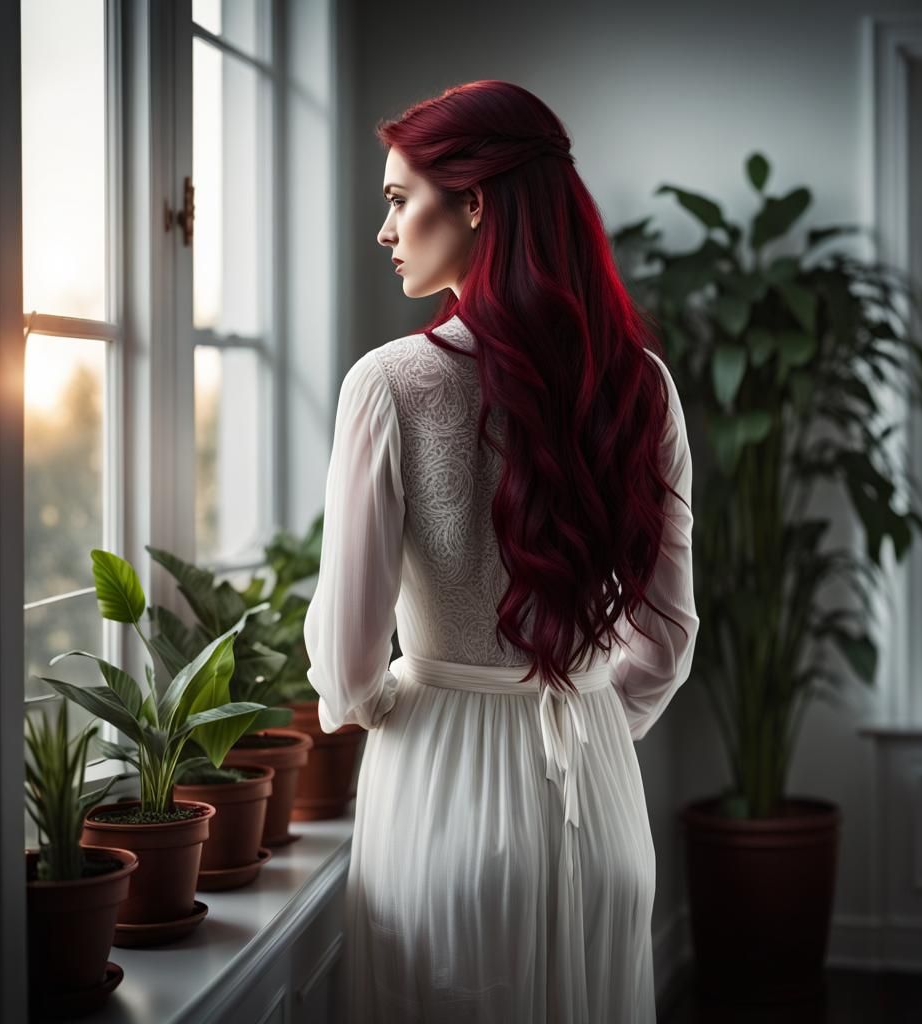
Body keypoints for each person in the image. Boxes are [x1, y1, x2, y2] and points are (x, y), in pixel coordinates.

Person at [304, 79, 699, 1024]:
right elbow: (668, 642)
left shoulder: (389, 385)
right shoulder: (642, 386)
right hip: (597, 799)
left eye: (400, 198)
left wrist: (420, 702)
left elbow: (348, 671)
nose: (384, 228)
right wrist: (583, 711)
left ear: (474, 201)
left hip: (438, 797)